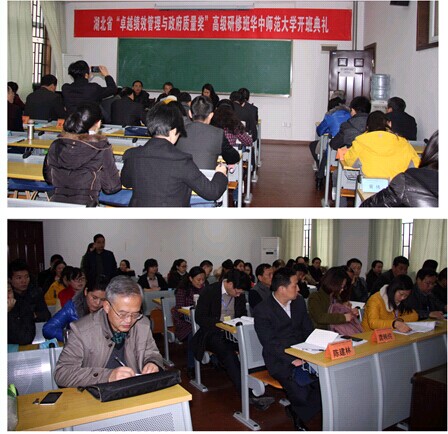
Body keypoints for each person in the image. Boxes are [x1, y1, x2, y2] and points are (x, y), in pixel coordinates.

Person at [54, 276, 163, 388]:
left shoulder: (142, 324)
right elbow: (62, 374)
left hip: (133, 390)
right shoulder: (82, 330)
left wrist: (152, 363)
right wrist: (107, 376)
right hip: (96, 393)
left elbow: (152, 354)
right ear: (106, 306)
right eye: (122, 314)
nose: (129, 320)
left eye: (135, 314)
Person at [191, 269, 274, 411]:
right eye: (237, 291)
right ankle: (247, 394)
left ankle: (258, 381)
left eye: (241, 292)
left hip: (233, 332)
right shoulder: (209, 291)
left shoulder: (238, 295)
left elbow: (242, 314)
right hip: (212, 333)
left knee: (254, 345)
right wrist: (220, 323)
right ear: (229, 284)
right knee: (228, 352)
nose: (239, 295)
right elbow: (200, 318)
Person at [121, 102, 228, 207]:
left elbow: (126, 182)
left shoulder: (133, 155)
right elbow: (212, 192)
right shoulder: (181, 161)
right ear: (173, 131)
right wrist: (220, 173)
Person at [253, 268, 321, 431]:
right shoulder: (263, 309)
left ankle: (297, 412)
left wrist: (317, 347)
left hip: (304, 353)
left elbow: (308, 329)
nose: (298, 289)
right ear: (282, 289)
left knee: (328, 385)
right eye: (295, 285)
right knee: (302, 394)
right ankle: (299, 410)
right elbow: (270, 343)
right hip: (279, 359)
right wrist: (292, 359)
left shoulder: (298, 302)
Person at [43, 102, 122, 206]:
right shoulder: (100, 148)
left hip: (56, 204)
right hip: (87, 204)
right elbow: (111, 188)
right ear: (98, 123)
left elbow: (49, 178)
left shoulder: (56, 144)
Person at [360, 130, 438, 207]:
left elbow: (368, 206)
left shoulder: (408, 180)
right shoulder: (404, 144)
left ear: (429, 149)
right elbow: (415, 163)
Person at [342, 111, 420, 179]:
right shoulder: (403, 143)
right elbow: (416, 164)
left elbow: (350, 161)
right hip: (396, 185)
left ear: (367, 127)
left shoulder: (360, 141)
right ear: (389, 124)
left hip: (369, 185)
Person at [176, 96, 240, 170]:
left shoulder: (178, 131)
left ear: (190, 113)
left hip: (180, 175)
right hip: (206, 177)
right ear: (211, 115)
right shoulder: (218, 133)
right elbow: (233, 157)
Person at [43, 279, 107, 342]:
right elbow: (48, 329)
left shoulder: (109, 309)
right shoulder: (72, 307)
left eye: (103, 299)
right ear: (86, 291)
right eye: (94, 298)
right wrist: (74, 337)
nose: (97, 303)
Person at [172, 266, 206, 378]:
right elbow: (179, 311)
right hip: (185, 323)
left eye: (203, 279)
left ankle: (215, 360)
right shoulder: (182, 291)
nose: (201, 282)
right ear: (191, 278)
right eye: (198, 280)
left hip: (201, 322)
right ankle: (191, 366)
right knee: (194, 334)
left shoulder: (205, 289)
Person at [311, 95, 351, 190]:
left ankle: (320, 177)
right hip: (348, 148)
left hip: (334, 148)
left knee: (317, 147)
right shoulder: (350, 114)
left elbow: (320, 131)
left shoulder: (330, 116)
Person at [8, 258, 51, 323]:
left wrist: (30, 315)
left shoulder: (35, 293)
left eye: (27, 277)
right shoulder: (8, 295)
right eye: (19, 278)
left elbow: (46, 315)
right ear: (10, 279)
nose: (24, 281)